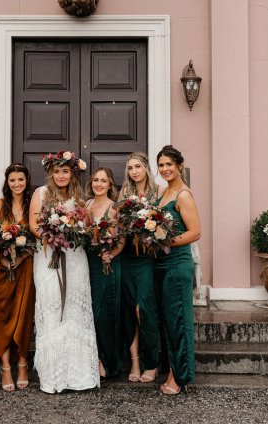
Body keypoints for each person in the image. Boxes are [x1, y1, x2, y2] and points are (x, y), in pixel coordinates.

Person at [29, 151, 100, 394]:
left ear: (72, 174)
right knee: (52, 307)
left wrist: (75, 231)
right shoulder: (41, 194)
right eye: (57, 171)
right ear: (51, 172)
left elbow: (87, 225)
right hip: (50, 255)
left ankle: (79, 374)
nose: (61, 175)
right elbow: (33, 224)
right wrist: (53, 236)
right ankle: (53, 376)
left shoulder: (80, 198)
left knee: (73, 308)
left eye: (66, 171)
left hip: (75, 257)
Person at [155, 145, 201, 395]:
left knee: (178, 321)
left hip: (177, 265)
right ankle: (173, 368)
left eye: (169, 164)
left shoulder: (183, 195)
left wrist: (164, 241)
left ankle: (179, 376)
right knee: (167, 321)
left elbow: (195, 232)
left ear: (179, 166)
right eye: (161, 165)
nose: (165, 169)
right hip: (160, 264)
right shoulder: (163, 192)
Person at [0, 163, 35, 392]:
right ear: (7, 183)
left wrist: (22, 255)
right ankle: (6, 366)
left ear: (27, 181)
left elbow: (36, 237)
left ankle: (23, 363)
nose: (17, 184)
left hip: (25, 266)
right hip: (1, 268)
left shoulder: (32, 206)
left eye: (21, 180)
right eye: (12, 180)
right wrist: (4, 256)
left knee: (23, 315)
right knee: (2, 315)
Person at [119, 152, 162, 383]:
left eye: (137, 166)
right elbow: (118, 224)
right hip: (127, 257)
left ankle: (151, 362)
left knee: (142, 310)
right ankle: (134, 360)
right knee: (128, 311)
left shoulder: (159, 193)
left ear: (146, 168)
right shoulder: (125, 193)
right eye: (130, 168)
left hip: (147, 259)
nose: (134, 171)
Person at [86, 167, 125, 379]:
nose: (99, 184)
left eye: (103, 181)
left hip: (106, 263)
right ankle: (95, 358)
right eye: (95, 180)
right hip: (89, 263)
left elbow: (121, 240)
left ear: (110, 184)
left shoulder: (113, 208)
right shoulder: (87, 205)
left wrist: (111, 254)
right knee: (90, 312)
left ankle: (109, 362)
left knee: (105, 313)